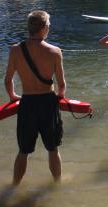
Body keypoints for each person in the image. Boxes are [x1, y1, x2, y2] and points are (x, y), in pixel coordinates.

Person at [4, 10, 66, 185]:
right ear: (45, 28)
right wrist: (60, 98)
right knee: (53, 149)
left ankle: (14, 185)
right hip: (48, 103)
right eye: (49, 26)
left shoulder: (15, 50)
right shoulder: (55, 51)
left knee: (23, 150)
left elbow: (8, 81)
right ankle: (57, 184)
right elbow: (61, 84)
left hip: (27, 103)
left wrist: (12, 97)